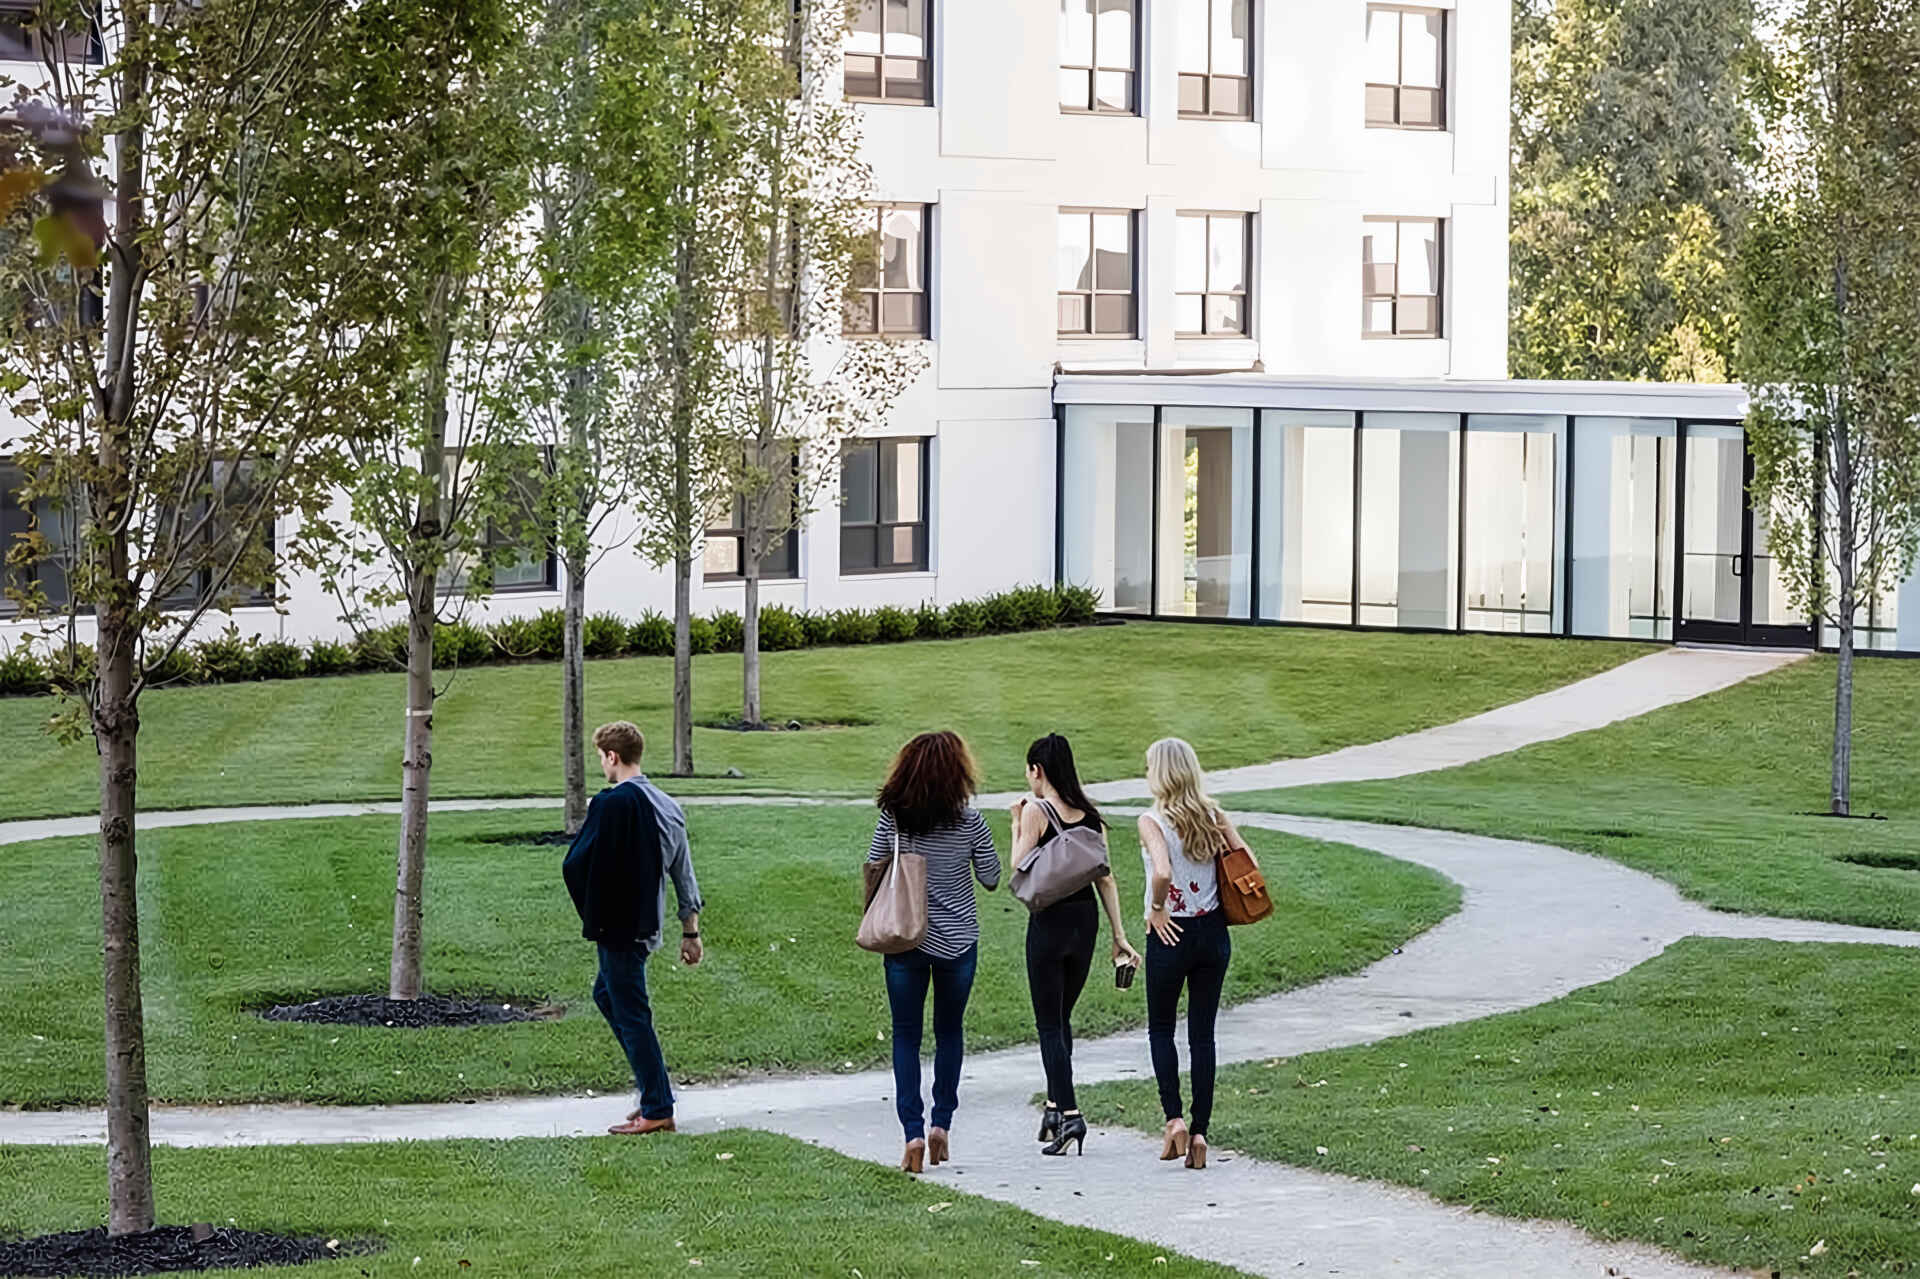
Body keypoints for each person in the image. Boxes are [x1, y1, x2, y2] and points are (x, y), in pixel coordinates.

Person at [562, 721, 704, 1137]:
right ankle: (652, 1092)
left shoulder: (611, 805)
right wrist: (690, 931)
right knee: (606, 994)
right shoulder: (668, 806)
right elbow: (684, 874)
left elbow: (578, 863)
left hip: (621, 924)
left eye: (601, 757)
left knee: (632, 1011)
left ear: (612, 757)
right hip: (647, 923)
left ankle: (658, 1106)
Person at [869, 730, 1001, 1174]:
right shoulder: (970, 821)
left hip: (905, 937)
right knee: (949, 1031)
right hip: (958, 940)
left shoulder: (896, 818)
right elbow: (991, 877)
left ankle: (912, 1131)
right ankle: (942, 1122)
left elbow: (874, 863)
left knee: (905, 1035)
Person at [1011, 733, 1140, 1157]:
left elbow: (1019, 867)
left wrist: (1016, 824)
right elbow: (1106, 877)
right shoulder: (1090, 816)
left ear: (1038, 771)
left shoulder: (1035, 810)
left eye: (1029, 771)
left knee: (1049, 1024)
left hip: (1049, 921)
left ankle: (1069, 1114)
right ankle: (1052, 1106)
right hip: (1085, 922)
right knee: (1062, 1017)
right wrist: (1119, 936)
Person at [1136, 736, 1241, 1170]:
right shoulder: (1213, 815)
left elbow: (1162, 870)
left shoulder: (1153, 820)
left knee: (1161, 1029)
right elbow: (1243, 857)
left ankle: (1174, 1119)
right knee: (1203, 1034)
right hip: (1212, 932)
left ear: (1160, 773)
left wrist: (1157, 907)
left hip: (1170, 931)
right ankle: (1201, 1132)